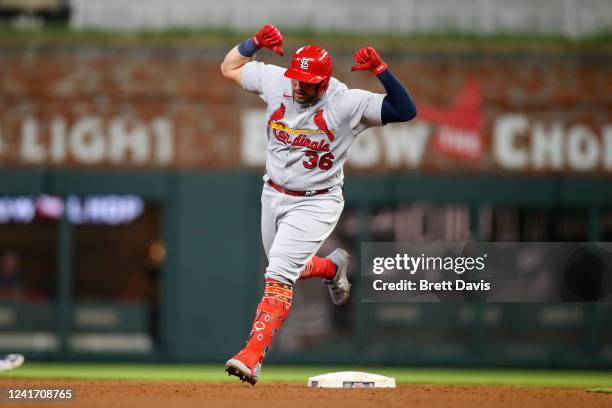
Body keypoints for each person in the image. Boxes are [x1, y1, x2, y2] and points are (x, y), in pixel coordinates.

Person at [220, 24, 417, 385]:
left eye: (307, 82)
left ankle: (252, 355)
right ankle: (331, 267)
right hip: (274, 192)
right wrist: (253, 44)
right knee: (284, 271)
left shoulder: (346, 102)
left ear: (324, 83)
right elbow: (229, 68)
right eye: (297, 78)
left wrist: (381, 71)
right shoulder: (279, 82)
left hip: (317, 201)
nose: (299, 86)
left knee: (278, 274)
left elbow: (405, 110)